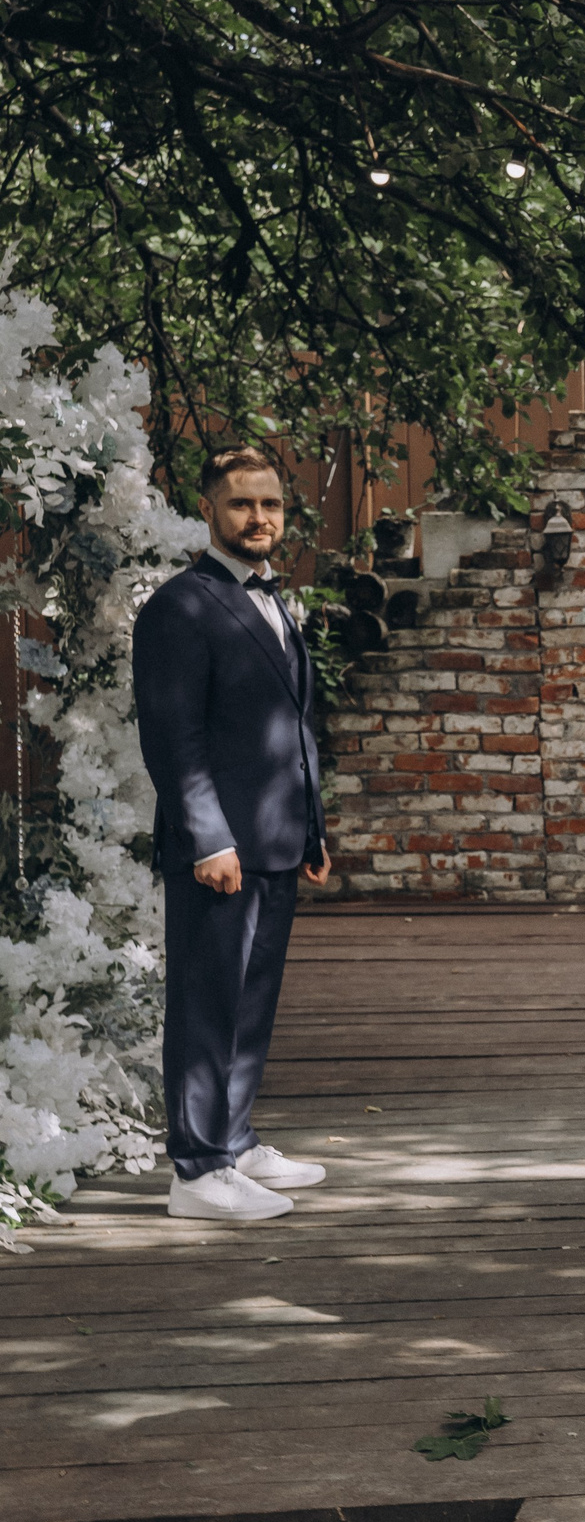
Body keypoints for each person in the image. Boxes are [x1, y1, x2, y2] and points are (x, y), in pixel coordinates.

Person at [133, 446, 332, 1221]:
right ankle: (196, 1169)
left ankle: (236, 1139)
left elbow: (290, 728)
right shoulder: (179, 607)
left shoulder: (275, 600)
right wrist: (209, 838)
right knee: (206, 1004)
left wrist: (311, 827)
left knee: (251, 1002)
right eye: (243, 504)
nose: (260, 518)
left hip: (276, 838)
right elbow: (173, 737)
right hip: (217, 849)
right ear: (210, 511)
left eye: (272, 504)